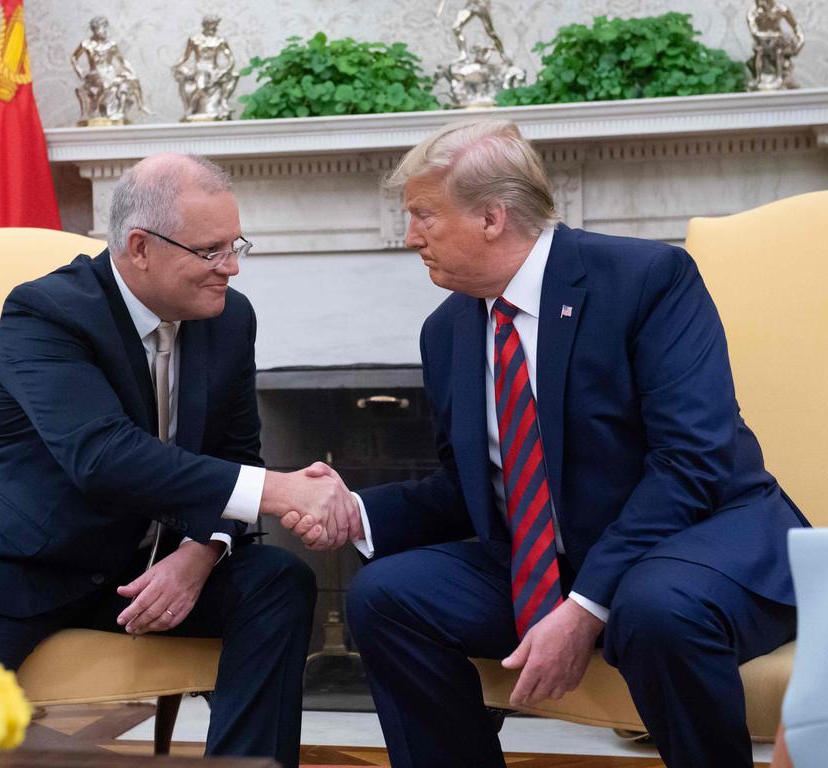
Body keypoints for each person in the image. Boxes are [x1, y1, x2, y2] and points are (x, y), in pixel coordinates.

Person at [342, 120, 808, 768]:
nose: (410, 236)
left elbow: (689, 464)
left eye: (423, 214)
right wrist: (355, 512)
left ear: (491, 218)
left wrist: (587, 605)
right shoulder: (446, 331)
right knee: (387, 595)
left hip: (709, 538)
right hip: (562, 558)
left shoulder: (647, 279)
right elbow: (476, 487)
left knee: (653, 606)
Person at [0, 153, 359, 768]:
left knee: (277, 583)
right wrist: (283, 491)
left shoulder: (227, 320)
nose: (232, 267)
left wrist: (199, 556)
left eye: (235, 244)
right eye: (211, 251)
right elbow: (103, 455)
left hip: (138, 573)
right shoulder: (45, 313)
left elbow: (235, 458)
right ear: (140, 247)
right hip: (7, 563)